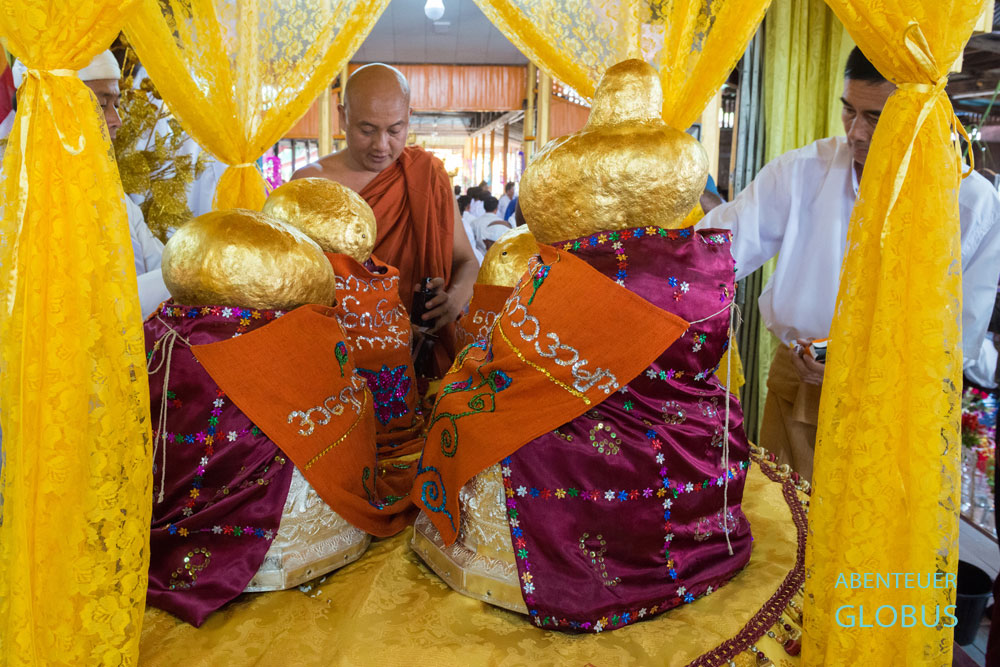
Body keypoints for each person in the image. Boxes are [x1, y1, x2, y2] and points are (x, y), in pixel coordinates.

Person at [700, 47, 1000, 481]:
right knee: (790, 537)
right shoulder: (805, 172)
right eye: (848, 111)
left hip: (896, 413)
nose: (855, 132)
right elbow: (714, 250)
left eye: (875, 118)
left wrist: (862, 369)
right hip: (798, 391)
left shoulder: (970, 204)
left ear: (923, 116)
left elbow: (956, 343)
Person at [292, 63, 477, 377]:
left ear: (409, 118)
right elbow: (293, 286)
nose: (381, 145)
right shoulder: (309, 185)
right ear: (342, 116)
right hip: (337, 358)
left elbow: (468, 262)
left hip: (418, 358)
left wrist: (453, 301)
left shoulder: (427, 173)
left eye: (395, 130)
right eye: (367, 129)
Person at [12, 51, 170, 317]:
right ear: (57, 110)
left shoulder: (113, 195)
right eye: (101, 105)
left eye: (116, 105)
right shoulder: (20, 201)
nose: (116, 121)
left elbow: (162, 265)